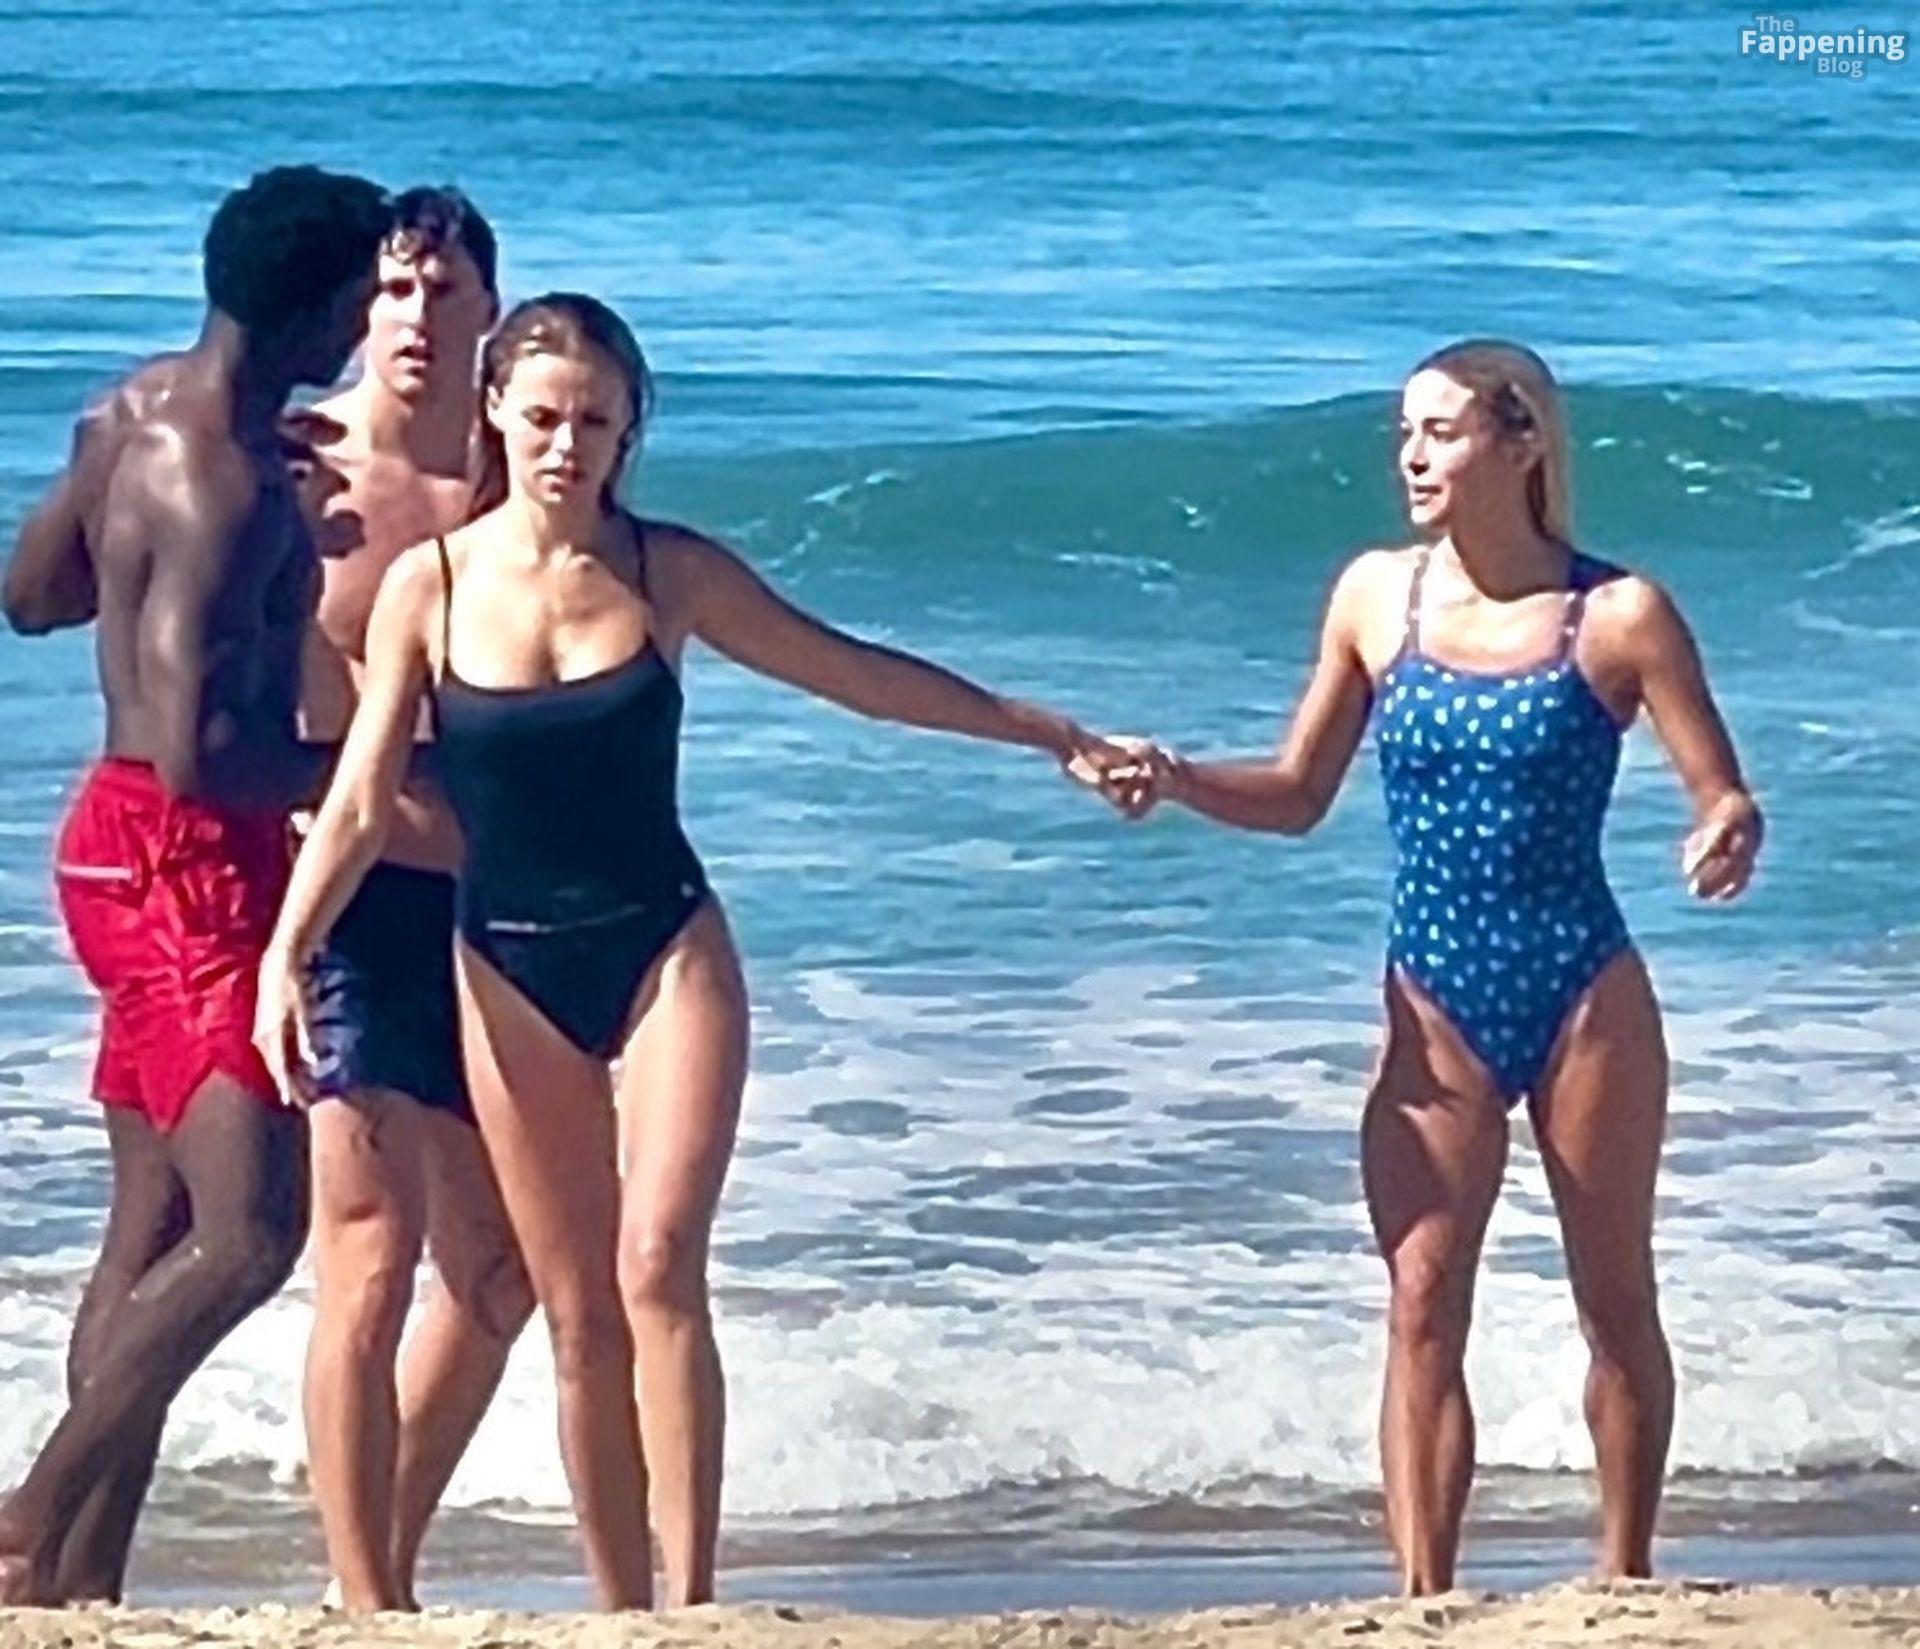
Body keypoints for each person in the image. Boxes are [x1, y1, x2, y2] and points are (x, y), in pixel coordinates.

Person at [253, 292, 1125, 1610]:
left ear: (627, 432)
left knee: (658, 1262)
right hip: (506, 965)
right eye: (544, 416)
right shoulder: (428, 587)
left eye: (595, 422)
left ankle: (697, 1600)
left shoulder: (671, 572)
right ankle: (623, 1612)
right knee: (578, 1313)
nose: (567, 444)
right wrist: (287, 952)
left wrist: (1047, 730)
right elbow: (364, 800)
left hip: (664, 941)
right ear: (495, 410)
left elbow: (856, 674)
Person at [1092, 340, 1762, 1594]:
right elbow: (1297, 792)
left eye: (1441, 431)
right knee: (1419, 1297)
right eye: (1405, 432)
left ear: (1522, 441)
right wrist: (1179, 779)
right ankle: (1423, 1597)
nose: (1411, 455)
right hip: (1434, 999)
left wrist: (1727, 822)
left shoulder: (1617, 614)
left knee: (1614, 1298)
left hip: (1583, 990)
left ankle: (1625, 1579)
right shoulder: (1375, 599)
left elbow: (1716, 785)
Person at [0, 165, 391, 1606]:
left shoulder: (131, 415)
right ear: (313, 311)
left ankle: (73, 1587)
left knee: (155, 1230)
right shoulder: (226, 486)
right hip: (183, 866)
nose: (364, 334)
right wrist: (393, 760)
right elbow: (202, 754)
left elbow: (32, 597)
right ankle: (30, 1515)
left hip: (111, 844)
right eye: (359, 306)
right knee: (250, 1233)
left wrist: (164, 574)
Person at [287, 186, 534, 1613]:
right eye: (394, 290)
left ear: (490, 307)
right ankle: (370, 1598)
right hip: (353, 899)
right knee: (368, 1254)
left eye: (445, 291)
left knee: (497, 1274)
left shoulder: (522, 478)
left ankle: (373, 1561)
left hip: (498, 906)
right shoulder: (299, 471)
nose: (419, 317)